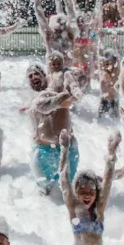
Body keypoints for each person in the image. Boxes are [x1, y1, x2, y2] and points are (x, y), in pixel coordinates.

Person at [25, 63, 79, 195]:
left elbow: (72, 98)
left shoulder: (57, 89)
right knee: (44, 193)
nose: (33, 77)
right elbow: (44, 105)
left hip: (66, 150)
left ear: (44, 76)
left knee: (68, 192)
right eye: (30, 76)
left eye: (36, 74)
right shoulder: (30, 98)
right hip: (43, 152)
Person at [97, 48, 120, 119]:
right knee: (101, 121)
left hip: (114, 101)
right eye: (107, 61)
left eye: (111, 61)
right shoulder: (103, 71)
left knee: (115, 120)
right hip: (104, 101)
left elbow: (118, 61)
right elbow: (100, 58)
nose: (108, 63)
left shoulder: (116, 71)